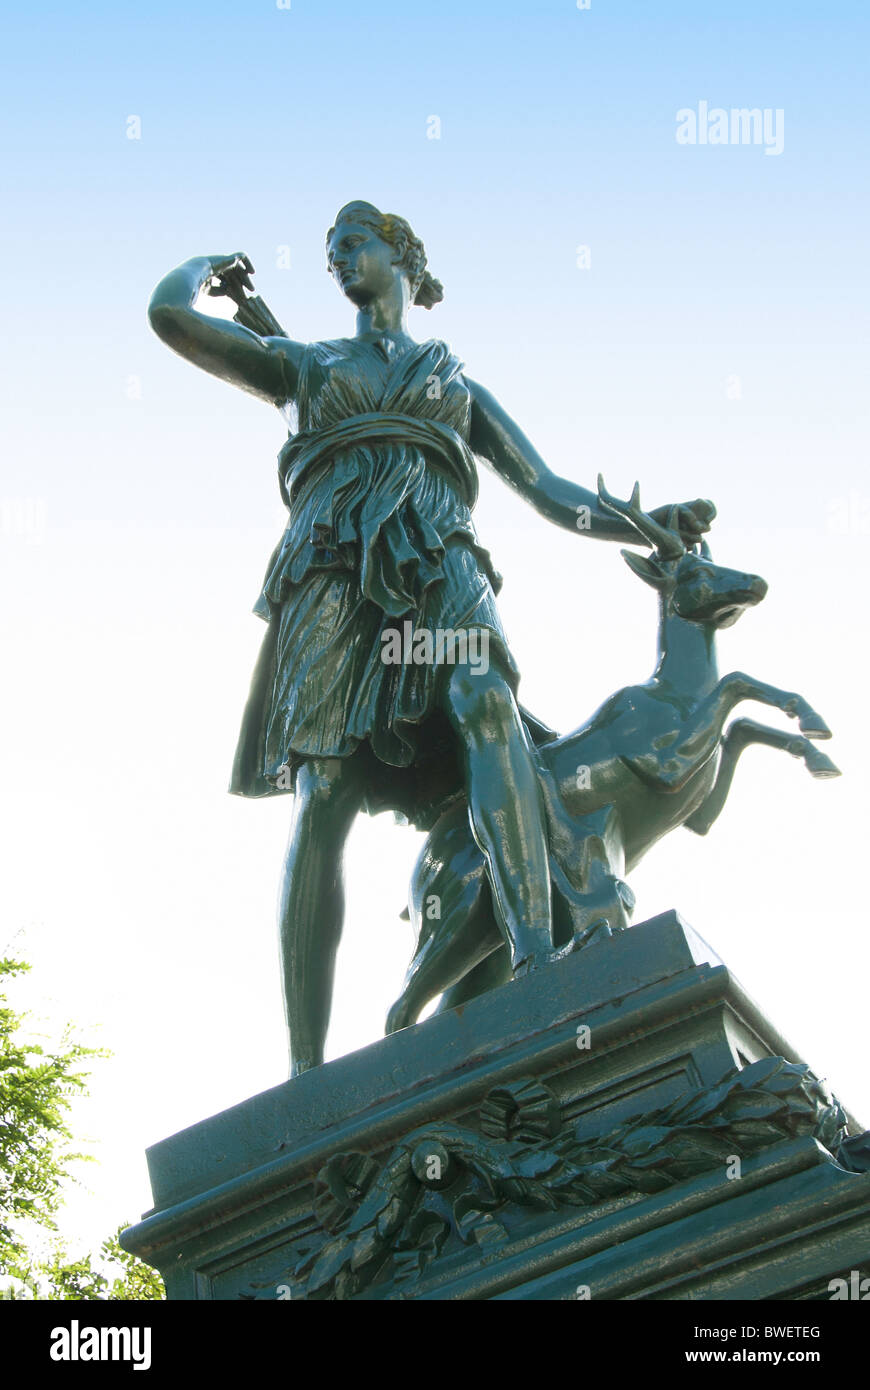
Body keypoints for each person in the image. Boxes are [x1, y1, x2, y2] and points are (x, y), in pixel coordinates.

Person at [148, 201, 714, 1075]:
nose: (337, 259)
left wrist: (643, 528)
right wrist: (199, 260)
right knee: (325, 790)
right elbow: (169, 317)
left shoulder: (456, 383)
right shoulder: (305, 363)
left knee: (486, 699)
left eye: (353, 244)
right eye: (330, 250)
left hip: (444, 565)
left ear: (402, 256)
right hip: (333, 567)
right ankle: (308, 1072)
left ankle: (536, 962)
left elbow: (553, 490)